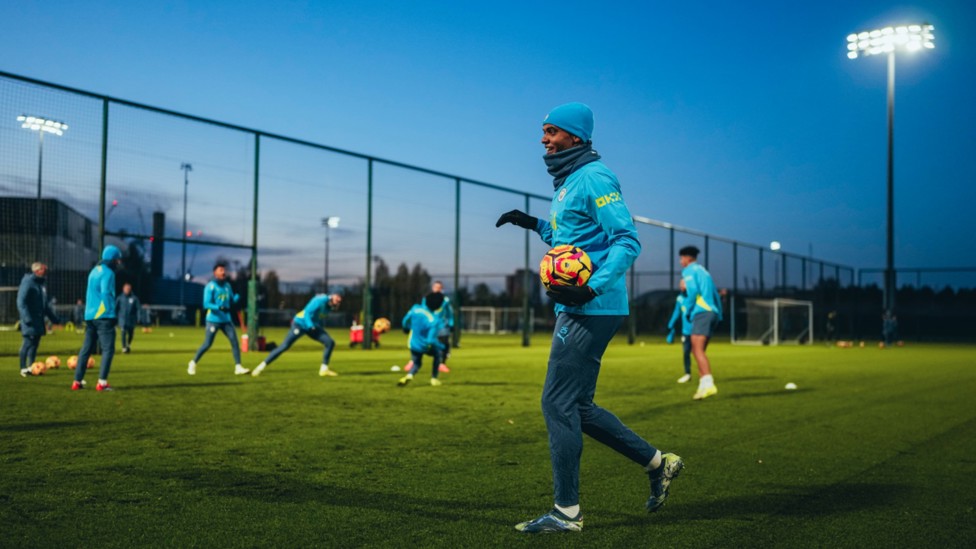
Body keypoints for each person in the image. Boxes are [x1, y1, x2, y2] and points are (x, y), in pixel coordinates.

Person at [495, 102, 682, 534]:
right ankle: (658, 463)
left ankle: (567, 513)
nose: (544, 138)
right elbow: (569, 237)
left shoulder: (595, 177)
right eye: (543, 131)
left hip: (591, 305)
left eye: (552, 131)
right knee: (578, 406)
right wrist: (531, 223)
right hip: (581, 305)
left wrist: (591, 286)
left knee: (555, 402)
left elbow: (626, 240)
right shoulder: (567, 183)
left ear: (575, 137)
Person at [251, 293, 342, 377]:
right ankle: (260, 366)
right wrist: (311, 326)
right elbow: (306, 312)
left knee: (330, 342)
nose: (337, 303)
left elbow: (317, 317)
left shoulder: (329, 307)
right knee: (285, 346)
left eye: (339, 302)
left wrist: (314, 326)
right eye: (337, 300)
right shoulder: (321, 300)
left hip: (312, 326)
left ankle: (324, 369)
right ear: (332, 297)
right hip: (300, 324)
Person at [72, 246, 123, 391]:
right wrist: (112, 313)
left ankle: (77, 381)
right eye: (117, 259)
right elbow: (106, 293)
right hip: (104, 315)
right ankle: (102, 383)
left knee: (86, 349)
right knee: (108, 349)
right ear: (112, 259)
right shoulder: (109, 273)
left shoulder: (94, 271)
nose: (118, 262)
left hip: (90, 316)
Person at [188, 261, 249, 376]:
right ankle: (193, 362)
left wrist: (239, 296)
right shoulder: (210, 287)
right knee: (207, 344)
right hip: (213, 320)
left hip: (226, 320)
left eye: (224, 270)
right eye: (221, 270)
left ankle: (238, 367)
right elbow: (206, 304)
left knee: (234, 342)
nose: (223, 272)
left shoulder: (227, 286)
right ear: (215, 273)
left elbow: (231, 301)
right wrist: (219, 307)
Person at [678, 245, 723, 400]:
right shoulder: (704, 271)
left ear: (687, 258)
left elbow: (693, 293)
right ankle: (703, 385)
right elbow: (715, 294)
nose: (680, 261)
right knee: (699, 350)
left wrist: (689, 311)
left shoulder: (689, 271)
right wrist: (719, 314)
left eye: (682, 258)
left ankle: (709, 384)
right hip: (712, 312)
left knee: (696, 350)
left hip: (702, 312)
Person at [17, 262, 62, 377]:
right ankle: (23, 368)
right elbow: (21, 301)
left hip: (38, 320)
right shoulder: (28, 282)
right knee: (28, 342)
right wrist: (26, 318)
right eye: (43, 269)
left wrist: (54, 319)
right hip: (30, 319)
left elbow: (45, 306)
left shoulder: (40, 285)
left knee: (35, 343)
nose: (46, 271)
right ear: (37, 271)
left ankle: (31, 366)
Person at [397, 293, 446, 387]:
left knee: (417, 363)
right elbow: (430, 341)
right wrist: (441, 346)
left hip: (413, 344)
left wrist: (405, 328)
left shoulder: (415, 309)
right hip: (425, 346)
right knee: (438, 354)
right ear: (438, 306)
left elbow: (405, 320)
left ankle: (409, 376)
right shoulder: (434, 320)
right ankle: (434, 379)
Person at [406, 280, 455, 373]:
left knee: (444, 344)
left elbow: (450, 313)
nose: (437, 289)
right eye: (436, 287)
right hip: (428, 325)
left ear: (442, 289)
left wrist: (452, 324)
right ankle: (413, 361)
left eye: (439, 288)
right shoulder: (426, 299)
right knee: (418, 341)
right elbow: (423, 311)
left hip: (441, 326)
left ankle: (442, 364)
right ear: (433, 288)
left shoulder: (445, 301)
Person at [666, 279, 693, 384]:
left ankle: (704, 375)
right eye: (681, 284)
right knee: (686, 352)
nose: (682, 286)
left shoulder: (694, 297)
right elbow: (676, 312)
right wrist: (671, 324)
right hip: (686, 331)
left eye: (684, 284)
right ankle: (687, 374)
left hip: (697, 330)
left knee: (698, 352)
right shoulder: (680, 298)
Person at [116, 282, 140, 353]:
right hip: (122, 319)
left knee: (131, 333)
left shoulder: (134, 298)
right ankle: (124, 347)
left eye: (128, 289)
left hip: (131, 319)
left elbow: (138, 309)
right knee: (123, 332)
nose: (127, 290)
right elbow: (116, 308)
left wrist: (138, 318)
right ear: (123, 289)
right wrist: (115, 317)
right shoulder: (120, 298)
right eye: (126, 289)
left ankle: (128, 344)